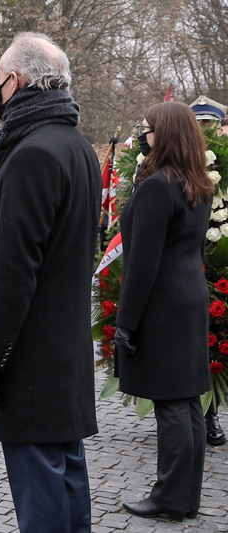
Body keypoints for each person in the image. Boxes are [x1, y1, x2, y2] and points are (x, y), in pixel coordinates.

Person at [0, 32, 100, 533]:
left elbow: (13, 272)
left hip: (30, 354)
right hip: (61, 345)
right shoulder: (76, 146)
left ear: (14, 81)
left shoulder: (33, 153)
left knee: (42, 487)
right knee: (66, 474)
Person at [115, 102, 213, 522]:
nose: (143, 134)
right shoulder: (197, 182)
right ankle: (184, 496)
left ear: (165, 134)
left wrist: (125, 323)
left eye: (147, 128)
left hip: (163, 301)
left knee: (172, 404)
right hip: (189, 294)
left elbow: (142, 263)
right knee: (187, 402)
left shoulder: (159, 186)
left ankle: (170, 498)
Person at [189, 96, 227, 447]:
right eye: (198, 124)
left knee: (218, 340)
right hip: (191, 263)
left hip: (222, 261)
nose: (205, 131)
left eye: (210, 125)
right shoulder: (180, 160)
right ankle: (205, 414)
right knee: (202, 341)